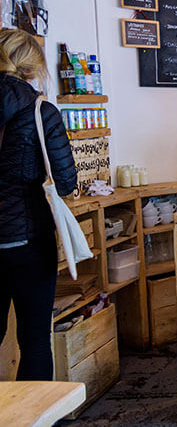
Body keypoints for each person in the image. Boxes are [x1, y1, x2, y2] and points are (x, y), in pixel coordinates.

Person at [0, 28, 77, 380]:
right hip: (29, 240)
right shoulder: (40, 111)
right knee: (33, 341)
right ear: (31, 68)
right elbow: (66, 182)